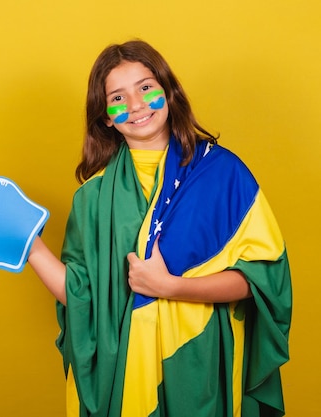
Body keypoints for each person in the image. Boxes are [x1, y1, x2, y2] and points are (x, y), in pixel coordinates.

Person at [27, 40, 292, 417]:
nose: (135, 105)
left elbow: (262, 280)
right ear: (105, 116)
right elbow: (82, 297)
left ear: (168, 91)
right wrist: (31, 246)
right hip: (124, 368)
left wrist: (172, 287)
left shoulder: (223, 174)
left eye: (146, 87)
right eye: (117, 97)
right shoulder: (93, 196)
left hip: (200, 363)